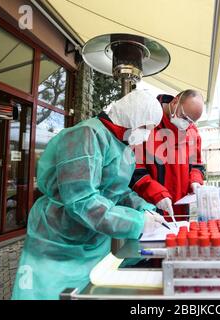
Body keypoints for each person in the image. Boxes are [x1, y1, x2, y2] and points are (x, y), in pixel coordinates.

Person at [12, 90, 168, 300]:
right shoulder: (85, 135)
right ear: (132, 117)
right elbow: (80, 201)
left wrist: (146, 208)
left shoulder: (122, 147)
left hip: (93, 240)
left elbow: (118, 192)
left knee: (90, 292)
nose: (147, 135)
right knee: (47, 294)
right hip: (57, 240)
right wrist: (137, 223)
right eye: (145, 127)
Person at [130, 90, 206, 221]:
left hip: (181, 212)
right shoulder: (146, 124)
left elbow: (197, 165)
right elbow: (135, 170)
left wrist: (195, 181)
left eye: (191, 121)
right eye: (184, 117)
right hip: (150, 210)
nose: (186, 124)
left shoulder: (192, 132)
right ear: (175, 102)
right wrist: (157, 194)